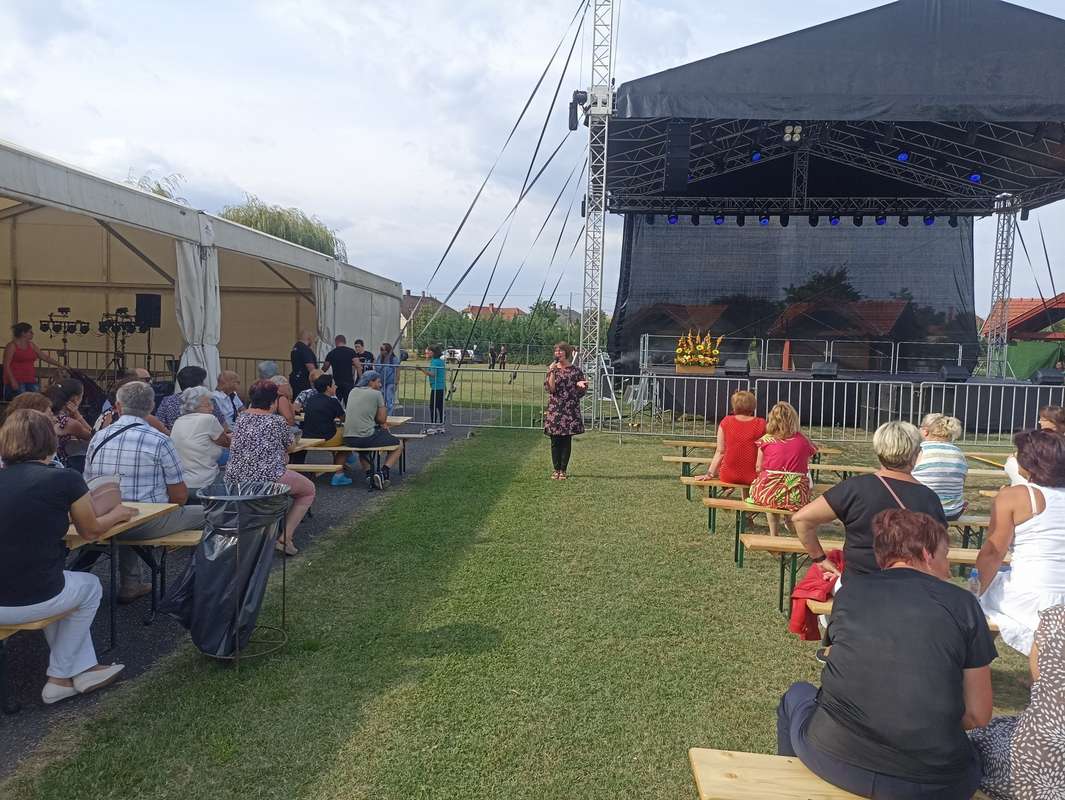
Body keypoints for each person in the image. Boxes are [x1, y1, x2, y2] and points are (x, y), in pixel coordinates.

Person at [778, 509, 995, 799]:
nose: (949, 568)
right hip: (933, 783)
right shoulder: (963, 604)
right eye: (945, 555)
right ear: (927, 554)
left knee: (797, 694)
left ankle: (786, 788)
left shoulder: (850, 592)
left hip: (832, 756)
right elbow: (978, 715)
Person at [0, 410, 138, 704]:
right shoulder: (63, 479)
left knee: (61, 586)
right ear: (49, 440)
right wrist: (118, 513)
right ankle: (59, 677)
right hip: (32, 598)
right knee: (89, 587)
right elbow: (91, 530)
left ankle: (84, 669)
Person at [82, 380, 205, 602]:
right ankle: (199, 586)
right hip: (143, 523)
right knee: (212, 514)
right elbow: (179, 496)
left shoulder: (98, 437)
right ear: (151, 407)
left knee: (128, 508)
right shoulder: (160, 440)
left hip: (104, 519)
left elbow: (87, 481)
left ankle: (131, 583)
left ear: (118, 406)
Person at [792, 421, 946, 579]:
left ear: (878, 450)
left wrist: (820, 559)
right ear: (916, 454)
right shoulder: (929, 498)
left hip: (857, 584)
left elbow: (801, 519)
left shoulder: (854, 488)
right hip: (911, 585)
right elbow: (938, 553)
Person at [976, 428, 1065, 656]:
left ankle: (974, 660)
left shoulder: (1014, 496)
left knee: (983, 599)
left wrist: (974, 593)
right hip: (1056, 594)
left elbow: (993, 553)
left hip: (1033, 596)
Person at [968, 604, 1065, 798]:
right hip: (1042, 758)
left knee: (977, 740)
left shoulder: (1056, 618)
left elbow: (1038, 681)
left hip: (1034, 762)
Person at [225, 380, 315, 555]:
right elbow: (291, 446)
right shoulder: (276, 421)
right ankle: (285, 538)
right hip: (268, 476)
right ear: (274, 401)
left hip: (235, 478)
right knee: (308, 490)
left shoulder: (241, 418)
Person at [746, 402, 816, 536]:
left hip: (768, 493)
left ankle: (774, 533)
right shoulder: (804, 441)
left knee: (771, 499)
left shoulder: (766, 440)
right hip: (796, 493)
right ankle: (790, 523)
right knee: (791, 493)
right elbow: (805, 465)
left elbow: (758, 467)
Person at [343, 370, 403, 489]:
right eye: (378, 382)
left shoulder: (353, 391)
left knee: (363, 450)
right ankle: (384, 471)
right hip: (366, 437)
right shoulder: (376, 394)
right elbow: (382, 419)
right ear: (371, 382)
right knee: (399, 444)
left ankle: (369, 474)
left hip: (349, 438)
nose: (380, 385)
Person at [170, 387, 230, 499]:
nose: (212, 408)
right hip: (205, 483)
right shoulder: (208, 419)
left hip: (183, 483)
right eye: (207, 405)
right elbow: (226, 442)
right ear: (194, 406)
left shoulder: (178, 421)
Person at [698, 390, 766, 487]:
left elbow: (720, 451)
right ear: (753, 406)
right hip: (753, 475)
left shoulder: (726, 421)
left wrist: (709, 473)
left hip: (728, 475)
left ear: (734, 406)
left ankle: (730, 490)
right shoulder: (761, 423)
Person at [543, 342, 588, 480]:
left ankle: (563, 470)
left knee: (566, 440)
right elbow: (551, 389)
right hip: (555, 408)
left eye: (561, 351)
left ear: (566, 353)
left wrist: (580, 386)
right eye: (556, 351)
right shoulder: (552, 369)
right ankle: (556, 469)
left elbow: (582, 389)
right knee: (555, 440)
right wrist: (551, 372)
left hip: (569, 409)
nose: (558, 353)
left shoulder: (575, 370)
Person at [912, 412, 969, 520]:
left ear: (925, 431)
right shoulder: (959, 453)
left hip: (924, 511)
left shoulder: (920, 450)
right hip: (953, 512)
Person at [301, 374, 351, 486]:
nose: (336, 387)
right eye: (334, 385)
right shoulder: (332, 401)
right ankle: (339, 474)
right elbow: (344, 418)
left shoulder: (311, 399)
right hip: (326, 437)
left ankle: (342, 463)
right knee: (349, 440)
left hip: (308, 436)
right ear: (328, 387)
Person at [1004, 406, 1064, 486]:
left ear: (1054, 421)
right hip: (1042, 476)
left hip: (1049, 477)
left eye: (1043, 420)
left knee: (1013, 464)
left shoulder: (1053, 439)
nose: (1040, 422)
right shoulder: (1043, 437)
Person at [156, 365, 226, 431]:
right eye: (203, 382)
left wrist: (170, 434)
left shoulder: (167, 401)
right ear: (199, 385)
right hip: (203, 438)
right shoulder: (206, 400)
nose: (205, 385)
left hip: (174, 437)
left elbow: (158, 423)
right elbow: (222, 425)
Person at [2, 322, 63, 397]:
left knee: (35, 399)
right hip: (17, 379)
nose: (32, 334)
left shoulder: (31, 345)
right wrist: (12, 381)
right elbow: (6, 365)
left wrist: (60, 364)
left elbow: (44, 357)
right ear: (23, 333)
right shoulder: (12, 346)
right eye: (30, 332)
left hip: (30, 379)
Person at [45, 378, 93, 470]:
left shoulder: (49, 414)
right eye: (82, 396)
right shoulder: (67, 423)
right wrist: (78, 416)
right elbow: (94, 438)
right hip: (58, 467)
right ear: (75, 399)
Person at [323, 334, 358, 403]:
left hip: (336, 383)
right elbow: (358, 366)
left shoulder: (331, 353)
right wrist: (361, 379)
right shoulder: (351, 351)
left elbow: (325, 368)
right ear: (345, 342)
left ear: (336, 342)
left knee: (336, 403)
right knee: (349, 403)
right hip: (348, 382)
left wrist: (318, 374)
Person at [420, 344, 446, 432]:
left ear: (433, 352)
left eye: (429, 351)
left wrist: (422, 370)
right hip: (441, 386)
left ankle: (433, 426)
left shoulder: (435, 362)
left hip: (437, 387)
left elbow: (433, 374)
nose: (427, 352)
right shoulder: (440, 361)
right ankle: (441, 425)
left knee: (433, 406)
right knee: (440, 407)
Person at [289, 330, 318, 395]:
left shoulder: (296, 347)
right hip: (304, 380)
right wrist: (316, 379)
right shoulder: (305, 349)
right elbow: (310, 367)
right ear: (309, 338)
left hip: (296, 378)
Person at [375, 342, 400, 414]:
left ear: (386, 351)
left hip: (390, 382)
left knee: (389, 399)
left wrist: (396, 382)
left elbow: (397, 370)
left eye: (382, 349)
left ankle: (390, 416)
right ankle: (381, 416)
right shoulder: (379, 357)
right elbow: (376, 367)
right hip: (381, 382)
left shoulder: (393, 359)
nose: (380, 351)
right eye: (380, 349)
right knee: (381, 400)